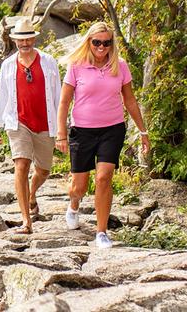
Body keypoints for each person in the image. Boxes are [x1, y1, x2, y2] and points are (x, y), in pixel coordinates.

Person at [55, 21, 151, 249]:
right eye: (97, 42)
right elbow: (64, 101)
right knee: (79, 186)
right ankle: (74, 203)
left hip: (112, 129)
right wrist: (61, 133)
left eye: (106, 43)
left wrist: (143, 131)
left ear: (111, 43)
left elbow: (129, 100)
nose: (101, 47)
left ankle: (101, 232)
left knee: (104, 177)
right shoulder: (76, 66)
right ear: (89, 42)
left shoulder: (120, 66)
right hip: (82, 131)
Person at [0, 17, 62, 234]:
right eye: (20, 40)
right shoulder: (8, 65)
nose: (25, 44)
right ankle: (26, 221)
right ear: (14, 41)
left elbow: (59, 94)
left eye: (28, 39)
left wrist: (62, 127)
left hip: (45, 122)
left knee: (43, 170)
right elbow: (2, 95)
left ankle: (32, 194)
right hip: (18, 122)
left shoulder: (48, 62)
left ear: (33, 38)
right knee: (21, 165)